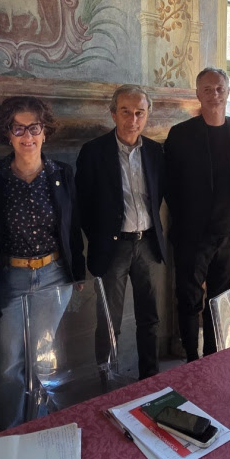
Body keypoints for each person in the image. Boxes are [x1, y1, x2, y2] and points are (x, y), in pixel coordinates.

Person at [0, 96, 85, 429]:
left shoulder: (61, 173)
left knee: (41, 361)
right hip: (9, 278)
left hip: (53, 274)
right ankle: (11, 434)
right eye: (18, 128)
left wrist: (77, 273)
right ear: (8, 133)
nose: (27, 136)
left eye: (34, 128)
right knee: (8, 365)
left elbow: (72, 226)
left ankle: (38, 428)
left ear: (45, 132)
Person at [76, 86, 167, 379]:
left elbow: (158, 195)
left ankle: (150, 377)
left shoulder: (155, 151)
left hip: (148, 244)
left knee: (150, 317)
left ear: (147, 115)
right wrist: (102, 237)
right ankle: (107, 380)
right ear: (113, 113)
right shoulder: (93, 152)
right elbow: (83, 204)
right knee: (109, 321)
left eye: (140, 112)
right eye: (126, 111)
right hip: (112, 248)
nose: (133, 119)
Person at [164, 67, 230, 361]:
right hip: (193, 237)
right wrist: (187, 225)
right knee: (189, 300)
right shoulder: (180, 134)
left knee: (220, 299)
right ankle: (192, 358)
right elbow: (170, 186)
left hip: (229, 234)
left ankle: (213, 357)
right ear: (198, 94)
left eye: (219, 89)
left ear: (227, 92)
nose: (214, 94)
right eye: (207, 89)